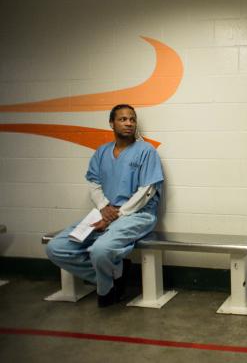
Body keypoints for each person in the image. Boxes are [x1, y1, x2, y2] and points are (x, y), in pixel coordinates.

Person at [46, 104, 164, 307]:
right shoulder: (101, 152)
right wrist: (104, 207)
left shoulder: (146, 151)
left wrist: (117, 214)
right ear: (111, 123)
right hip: (105, 212)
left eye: (132, 119)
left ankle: (107, 288)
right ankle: (114, 275)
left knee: (99, 250)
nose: (129, 123)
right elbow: (93, 183)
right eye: (123, 119)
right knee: (56, 247)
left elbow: (148, 190)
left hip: (137, 214)